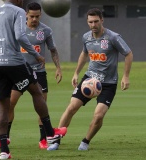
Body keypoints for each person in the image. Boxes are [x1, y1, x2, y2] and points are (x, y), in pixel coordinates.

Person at [0, 0, 65, 160]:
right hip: (13, 62)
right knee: (36, 92)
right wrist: (36, 55)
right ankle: (50, 133)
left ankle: (4, 151)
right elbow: (20, 36)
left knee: (2, 107)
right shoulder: (18, 12)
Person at [47, 8, 133, 151]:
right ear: (87, 22)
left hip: (108, 84)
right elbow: (84, 53)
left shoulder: (113, 37)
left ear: (102, 20)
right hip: (89, 80)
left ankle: (85, 142)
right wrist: (76, 73)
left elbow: (128, 54)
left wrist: (126, 76)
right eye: (90, 22)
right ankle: (56, 141)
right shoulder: (86, 37)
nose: (93, 25)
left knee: (98, 115)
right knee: (71, 107)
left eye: (96, 21)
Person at [0, 2, 65, 150]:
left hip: (38, 72)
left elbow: (53, 50)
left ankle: (43, 140)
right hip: (18, 72)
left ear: (41, 15)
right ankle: (5, 138)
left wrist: (58, 68)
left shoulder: (45, 30)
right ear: (26, 14)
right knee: (10, 104)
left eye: (37, 16)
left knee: (42, 106)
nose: (34, 19)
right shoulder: (17, 28)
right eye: (31, 16)